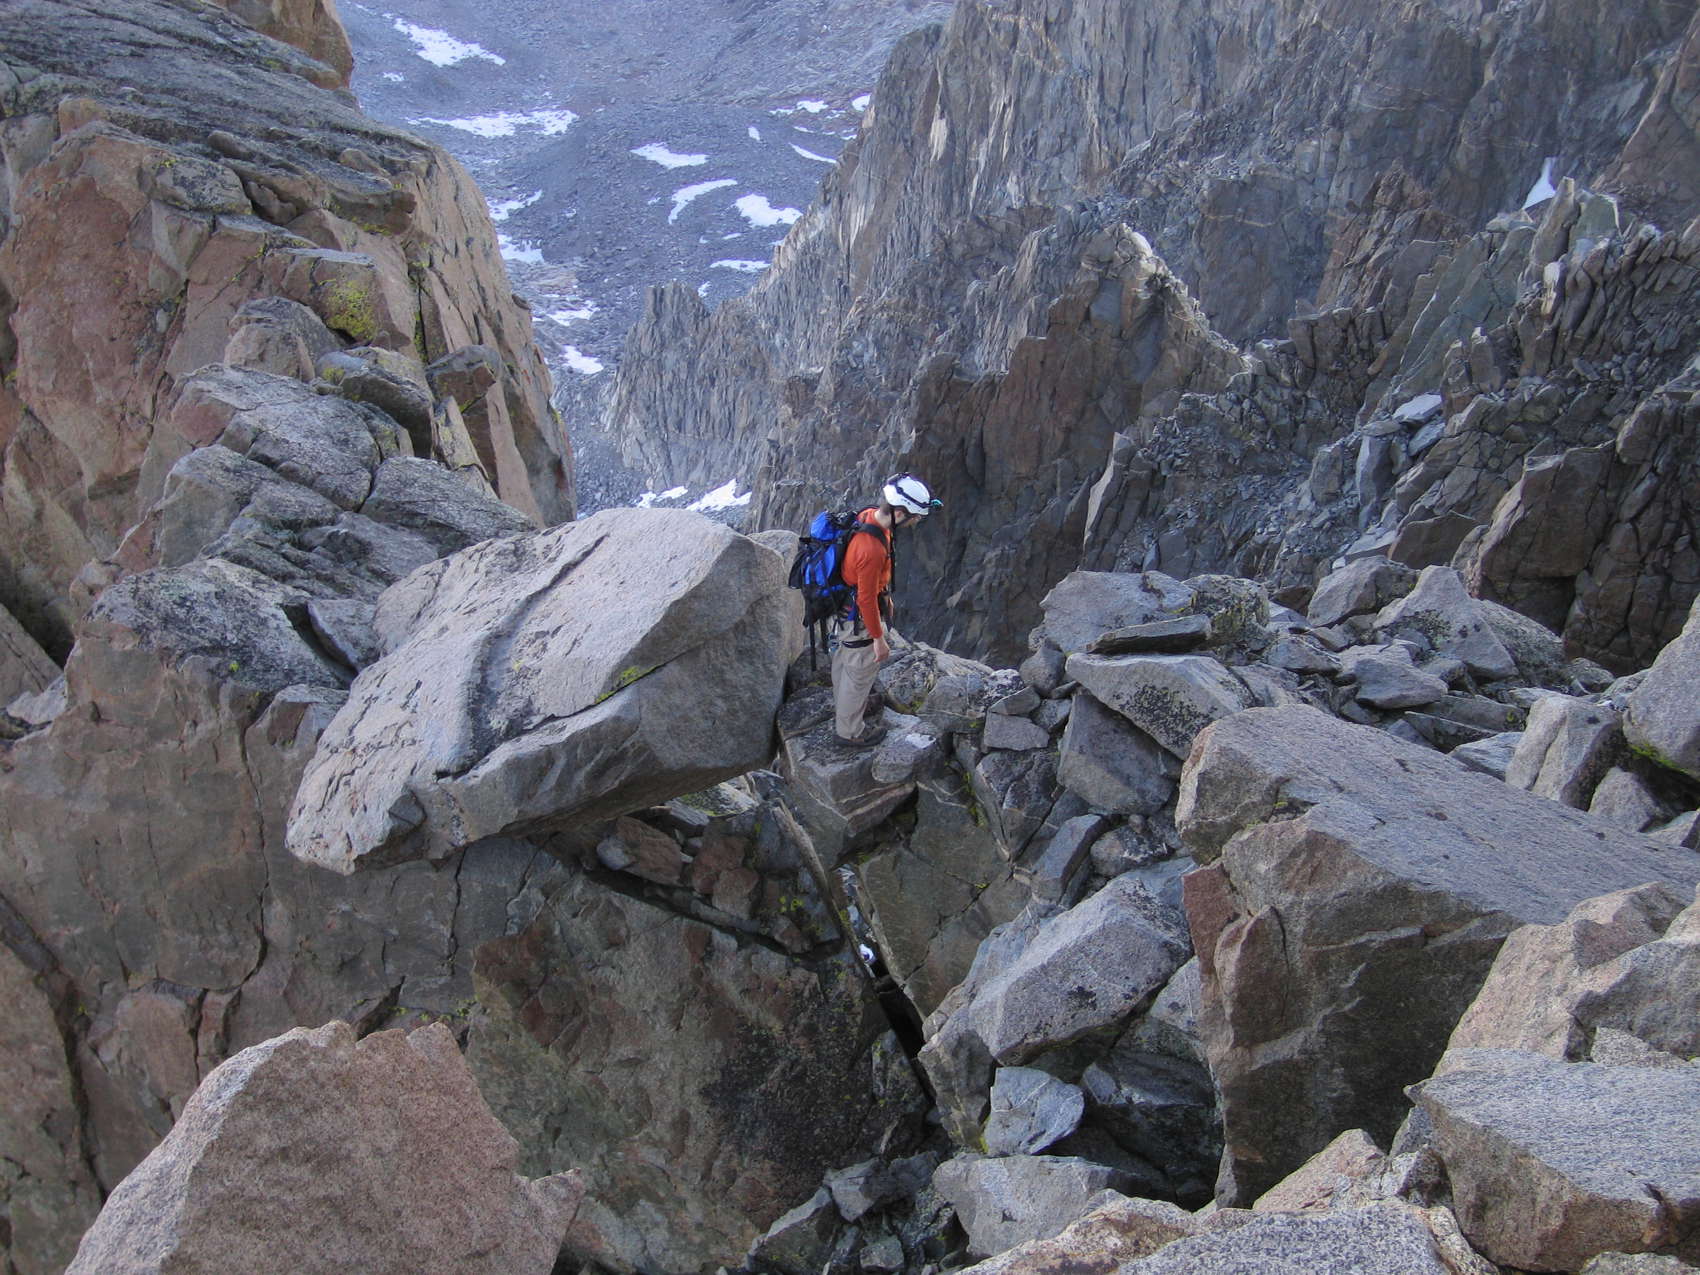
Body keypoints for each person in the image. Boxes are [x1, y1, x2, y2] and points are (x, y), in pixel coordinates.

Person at [832, 472, 939, 746]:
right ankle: (849, 732)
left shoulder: (868, 515)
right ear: (900, 513)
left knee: (846, 659)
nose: (916, 522)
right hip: (858, 615)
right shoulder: (871, 550)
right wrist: (879, 639)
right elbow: (866, 600)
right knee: (860, 668)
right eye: (915, 517)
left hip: (844, 608)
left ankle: (847, 708)